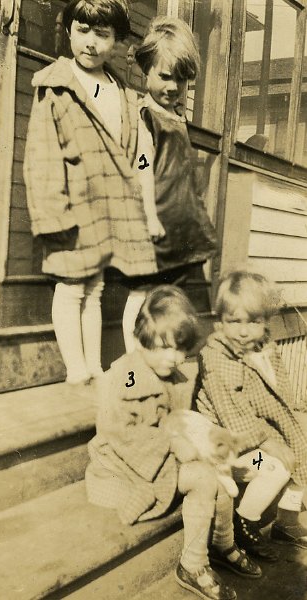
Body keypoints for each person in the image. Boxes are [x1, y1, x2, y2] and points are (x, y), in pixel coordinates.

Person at [86, 286, 261, 600]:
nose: (174, 357)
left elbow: (182, 418)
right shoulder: (127, 376)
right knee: (205, 479)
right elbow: (120, 433)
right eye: (164, 347)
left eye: (180, 349)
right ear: (142, 339)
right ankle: (193, 564)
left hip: (160, 457)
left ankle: (223, 543)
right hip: (123, 468)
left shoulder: (174, 375)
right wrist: (173, 444)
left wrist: (200, 442)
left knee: (219, 477)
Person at [23, 0, 157, 386]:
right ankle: (75, 370)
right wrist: (52, 216)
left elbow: (139, 156)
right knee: (70, 286)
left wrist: (143, 181)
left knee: (95, 288)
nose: (91, 43)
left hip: (110, 206)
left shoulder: (121, 92)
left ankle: (94, 368)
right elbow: (42, 155)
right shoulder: (57, 87)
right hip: (72, 205)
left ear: (117, 41)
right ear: (68, 31)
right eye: (83, 31)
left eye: (102, 35)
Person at [196, 269, 307, 560]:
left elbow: (280, 392)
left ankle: (286, 522)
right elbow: (233, 415)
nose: (244, 331)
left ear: (265, 322)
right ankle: (244, 522)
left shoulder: (264, 347)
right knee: (275, 466)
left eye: (253, 322)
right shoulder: (218, 358)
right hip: (229, 443)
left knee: (301, 445)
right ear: (220, 322)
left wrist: (287, 430)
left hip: (258, 433)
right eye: (234, 322)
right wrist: (270, 442)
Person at [121, 17, 217, 352]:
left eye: (182, 79)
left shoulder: (177, 117)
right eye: (164, 76)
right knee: (143, 292)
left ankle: (161, 355)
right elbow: (143, 166)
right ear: (145, 70)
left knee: (172, 296)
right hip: (157, 224)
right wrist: (149, 216)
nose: (173, 87)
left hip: (180, 228)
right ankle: (134, 361)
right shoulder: (145, 115)